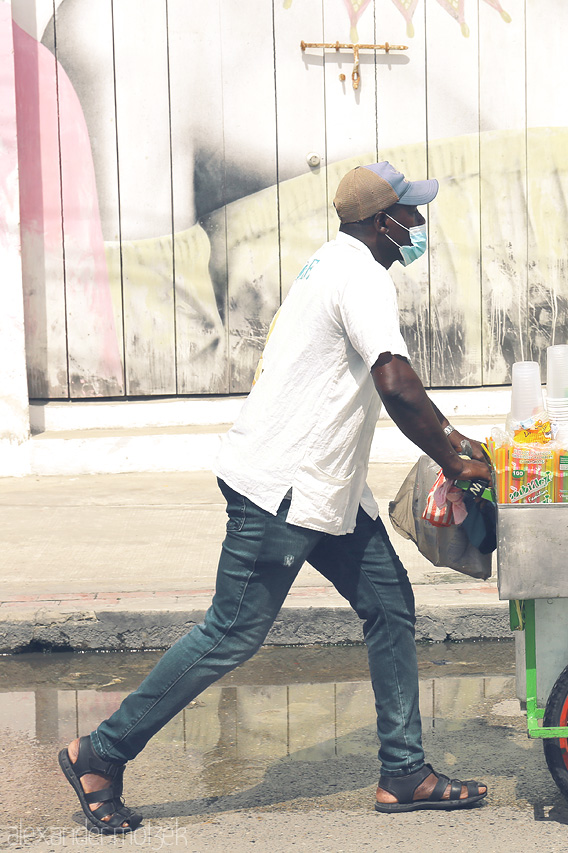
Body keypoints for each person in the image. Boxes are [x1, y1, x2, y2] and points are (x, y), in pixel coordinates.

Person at [57, 162, 493, 834]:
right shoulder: (364, 277)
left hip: (324, 489)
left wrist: (455, 439)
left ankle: (404, 771)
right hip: (283, 491)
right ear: (384, 223)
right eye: (411, 213)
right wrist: (451, 455)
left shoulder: (331, 261)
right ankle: (101, 752)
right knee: (229, 632)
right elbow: (396, 382)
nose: (418, 225)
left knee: (389, 603)